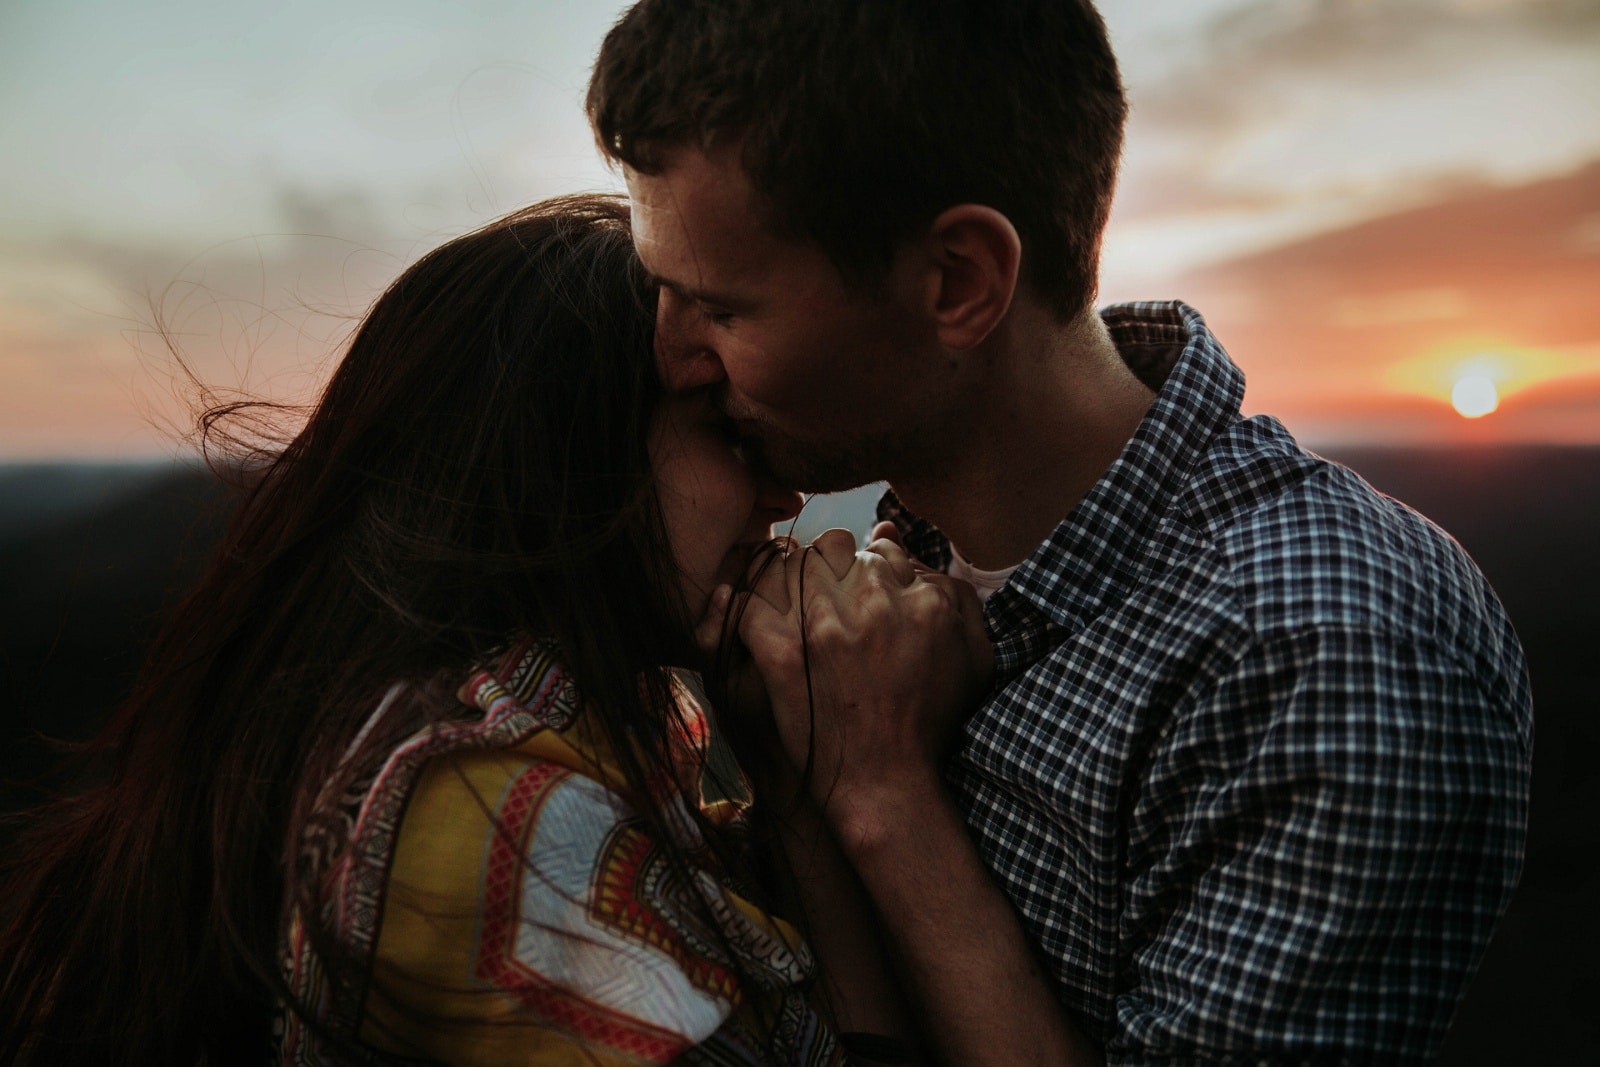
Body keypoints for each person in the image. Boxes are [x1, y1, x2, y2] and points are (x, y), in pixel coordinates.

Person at [586, 1, 1535, 1064]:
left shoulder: (1319, 652)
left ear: (958, 282)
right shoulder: (890, 564)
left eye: (720, 308)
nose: (673, 354)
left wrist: (883, 795)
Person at [0, 195, 932, 1065]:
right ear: (569, 459)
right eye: (728, 434)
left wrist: (794, 775)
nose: (788, 496)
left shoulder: (554, 722)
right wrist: (876, 784)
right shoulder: (493, 811)